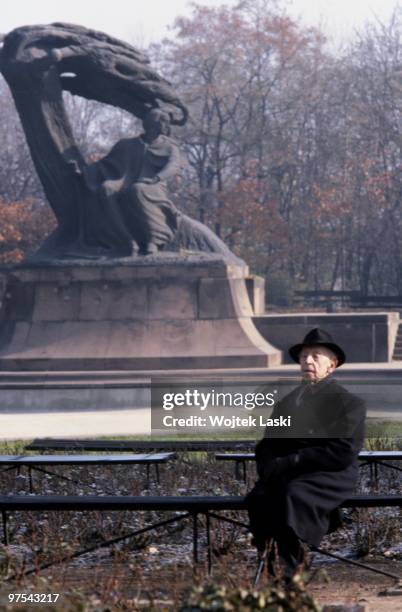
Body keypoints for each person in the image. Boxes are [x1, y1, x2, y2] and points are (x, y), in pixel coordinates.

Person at [246, 328, 366, 583]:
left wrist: (292, 461)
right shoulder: (287, 403)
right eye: (303, 357)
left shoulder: (348, 402)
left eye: (315, 357)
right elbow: (268, 443)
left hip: (329, 475)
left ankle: (290, 577)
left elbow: (342, 452)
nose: (307, 362)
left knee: (293, 496)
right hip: (288, 474)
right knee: (260, 496)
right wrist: (268, 465)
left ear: (331, 365)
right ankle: (270, 568)